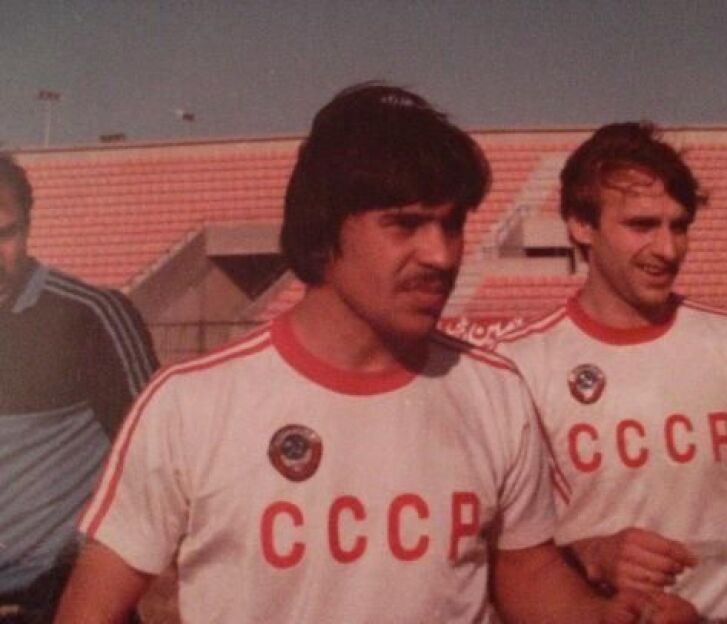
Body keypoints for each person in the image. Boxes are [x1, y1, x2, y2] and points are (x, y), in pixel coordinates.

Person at [55, 86, 684, 624]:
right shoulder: (192, 402)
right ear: (324, 231)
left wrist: (603, 618)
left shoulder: (493, 390)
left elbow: (527, 570)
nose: (441, 255)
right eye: (405, 224)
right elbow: (92, 608)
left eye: (452, 224)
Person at [491, 122, 727, 621]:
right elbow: (493, 556)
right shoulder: (516, 368)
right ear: (581, 225)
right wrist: (592, 555)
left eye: (679, 226)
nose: (668, 249)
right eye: (642, 225)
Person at [0, 154, 158, 623]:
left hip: (58, 605)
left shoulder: (89, 316)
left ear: (28, 227)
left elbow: (159, 462)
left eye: (5, 234)